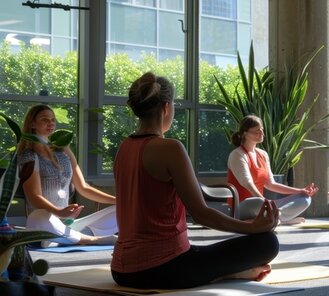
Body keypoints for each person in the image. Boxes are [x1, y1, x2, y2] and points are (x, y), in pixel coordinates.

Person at [111, 72, 279, 289]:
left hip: (121, 271)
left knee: (199, 252)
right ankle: (227, 274)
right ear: (166, 108)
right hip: (162, 268)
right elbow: (201, 214)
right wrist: (252, 228)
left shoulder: (123, 148)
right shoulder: (171, 148)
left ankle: (222, 273)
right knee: (268, 242)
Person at [18, 104, 117, 248]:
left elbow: (83, 188)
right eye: (45, 119)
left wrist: (119, 201)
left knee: (122, 210)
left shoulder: (64, 151)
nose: (50, 123)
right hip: (45, 223)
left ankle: (65, 238)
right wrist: (59, 212)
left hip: (68, 225)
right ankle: (90, 239)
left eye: (53, 119)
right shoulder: (28, 155)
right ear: (32, 124)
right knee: (39, 216)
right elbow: (34, 196)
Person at [227, 114, 317, 224]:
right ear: (245, 133)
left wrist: (301, 190)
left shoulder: (263, 154)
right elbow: (247, 183)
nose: (262, 133)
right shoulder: (237, 155)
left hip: (262, 204)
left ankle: (275, 218)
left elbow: (271, 184)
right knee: (258, 202)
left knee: (305, 198)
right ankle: (276, 218)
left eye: (262, 129)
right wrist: (265, 202)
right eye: (257, 131)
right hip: (242, 206)